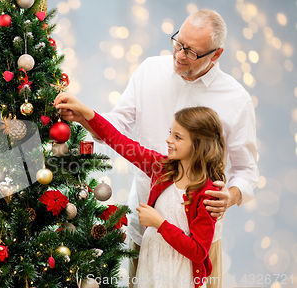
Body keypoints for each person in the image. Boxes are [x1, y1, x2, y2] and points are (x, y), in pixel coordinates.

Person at [58, 10, 258, 288]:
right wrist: (85, 114)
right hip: (148, 237)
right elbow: (120, 137)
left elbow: (247, 171)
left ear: (216, 54)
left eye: (191, 52)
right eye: (178, 43)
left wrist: (232, 195)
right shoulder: (150, 74)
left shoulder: (236, 101)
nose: (179, 54)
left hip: (195, 253)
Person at [55, 93, 224, 288]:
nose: (168, 140)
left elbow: (198, 251)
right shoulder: (160, 167)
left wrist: (159, 224)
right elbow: (119, 141)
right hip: (151, 265)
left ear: (199, 146)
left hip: (179, 276)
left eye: (177, 137)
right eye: (171, 132)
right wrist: (86, 113)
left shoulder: (208, 194)